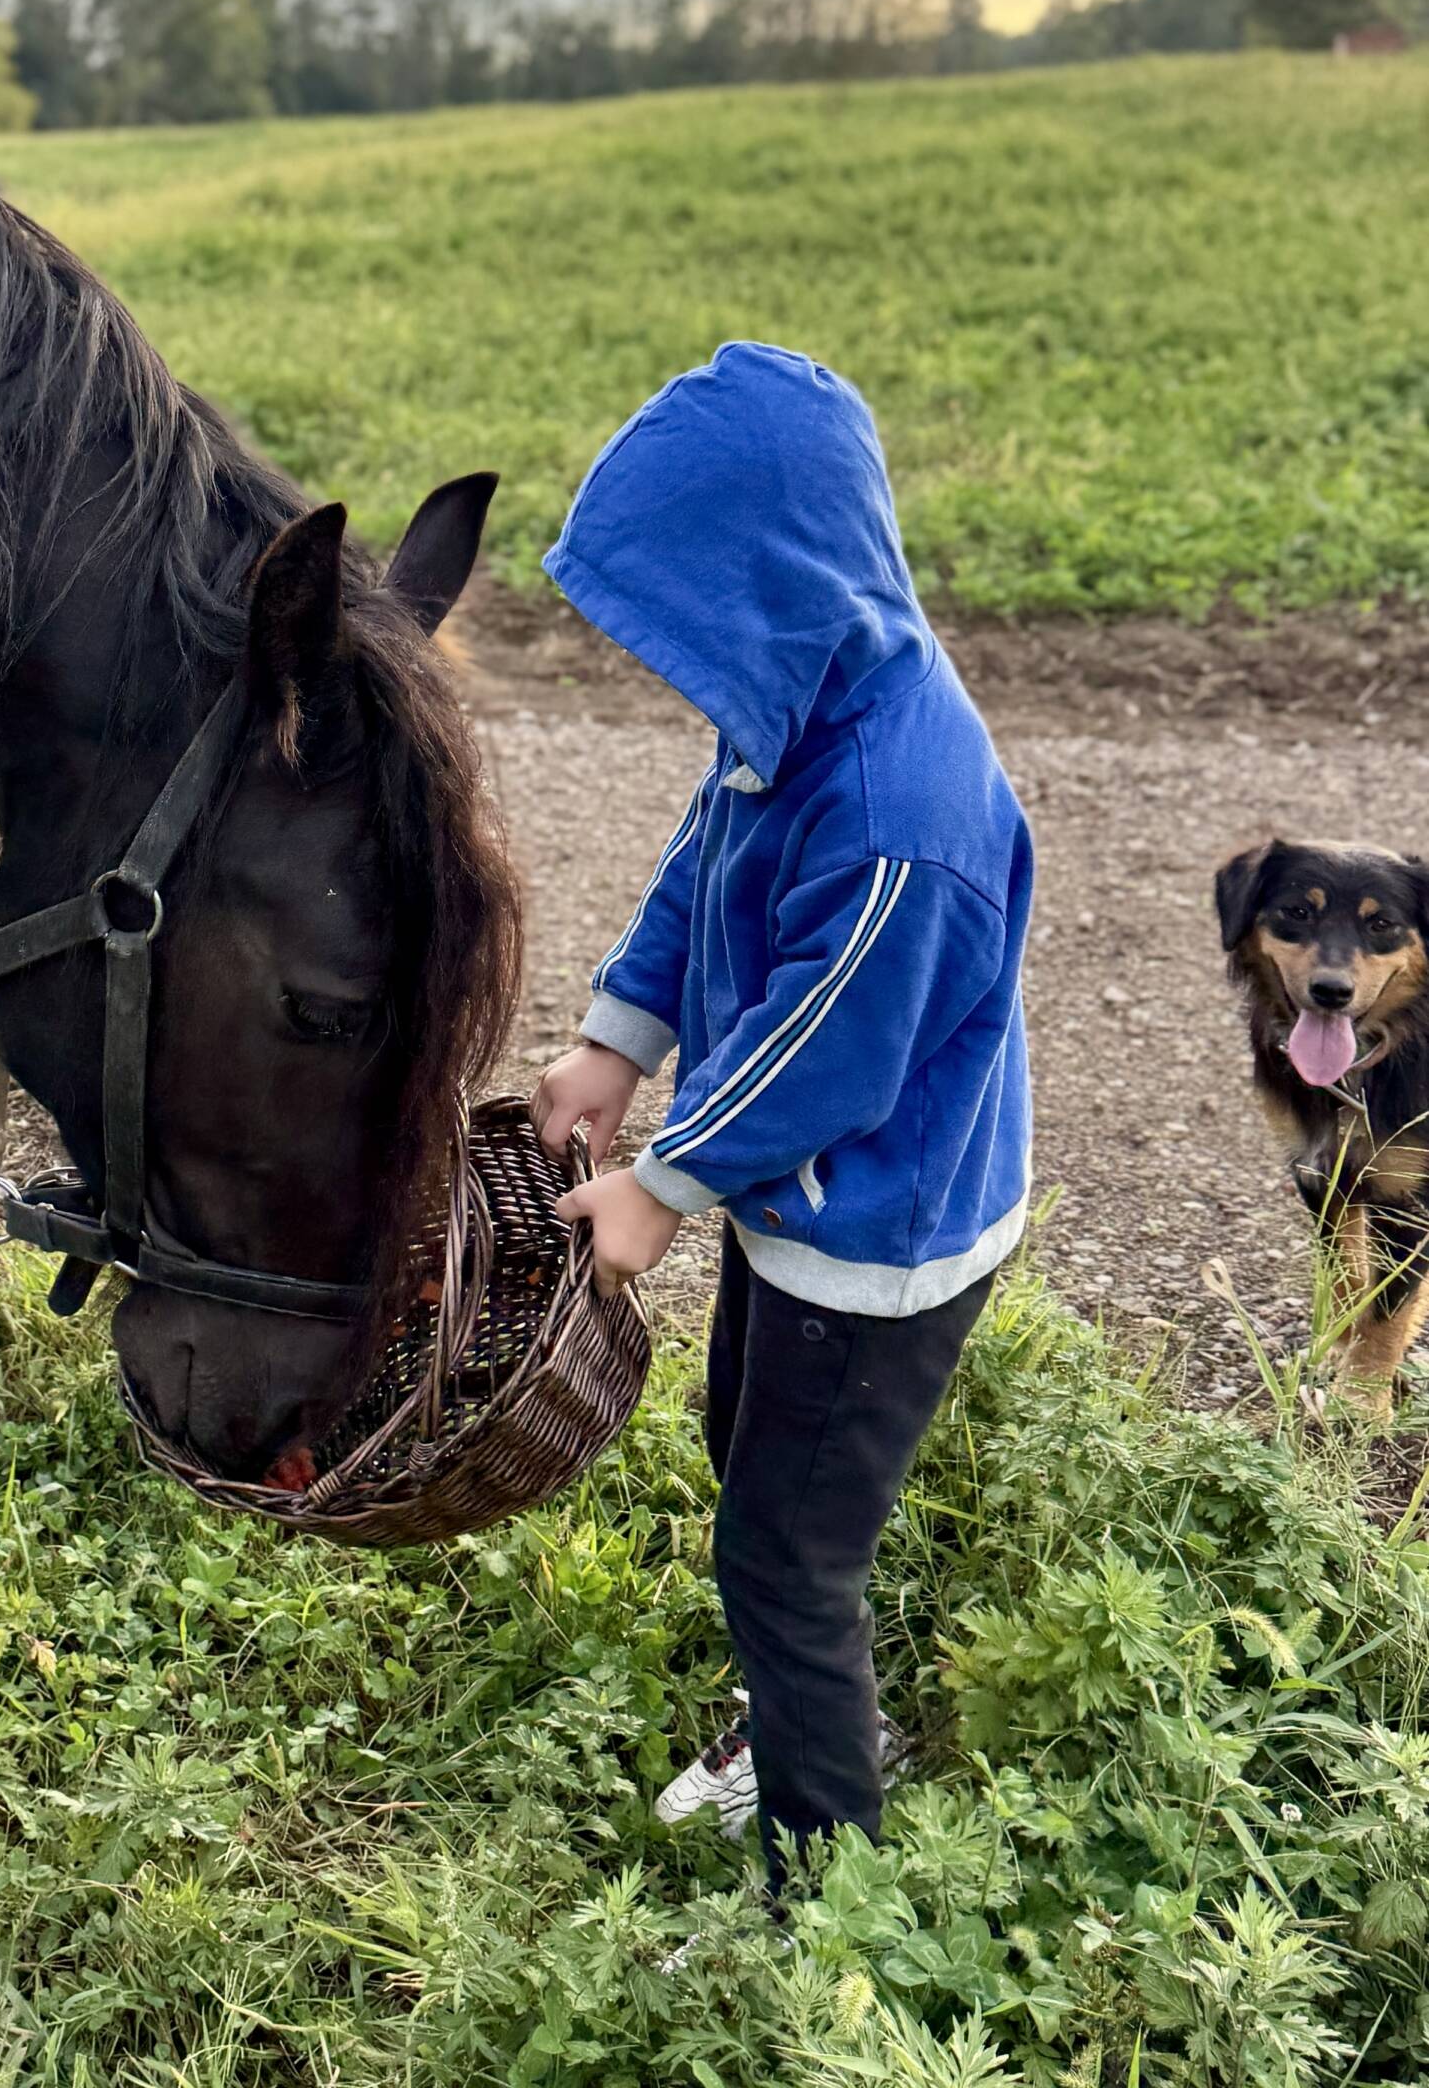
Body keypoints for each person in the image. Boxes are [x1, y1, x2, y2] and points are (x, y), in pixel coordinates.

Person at [530, 340, 1032, 1878]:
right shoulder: (800, 699)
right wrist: (622, 1034)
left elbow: (827, 1053)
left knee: (783, 1556)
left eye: (693, 620)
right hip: (805, 1211)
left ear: (780, 584)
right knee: (754, 1458)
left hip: (876, 1238)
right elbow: (704, 862)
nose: (678, 665)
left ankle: (824, 1880)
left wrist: (666, 1178)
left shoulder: (904, 823)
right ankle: (802, 1716)